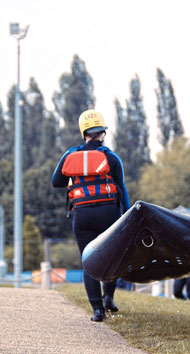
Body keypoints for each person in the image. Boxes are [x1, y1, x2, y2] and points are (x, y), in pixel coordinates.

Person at [52, 109, 130, 322]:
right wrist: (127, 215)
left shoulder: (70, 155)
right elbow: (121, 189)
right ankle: (109, 299)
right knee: (111, 259)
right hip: (109, 215)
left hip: (83, 216)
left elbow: (56, 181)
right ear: (102, 133)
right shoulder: (110, 157)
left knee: (89, 261)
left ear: (83, 132)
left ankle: (97, 310)